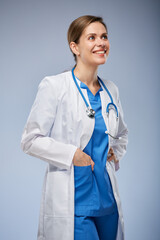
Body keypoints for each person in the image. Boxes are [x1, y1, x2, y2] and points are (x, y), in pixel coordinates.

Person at [21, 15, 128, 240]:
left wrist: (114, 151)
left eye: (104, 37)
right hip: (74, 204)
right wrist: (72, 155)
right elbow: (30, 140)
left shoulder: (111, 90)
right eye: (92, 37)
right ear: (75, 46)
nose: (101, 43)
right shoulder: (55, 86)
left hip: (107, 203)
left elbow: (122, 133)